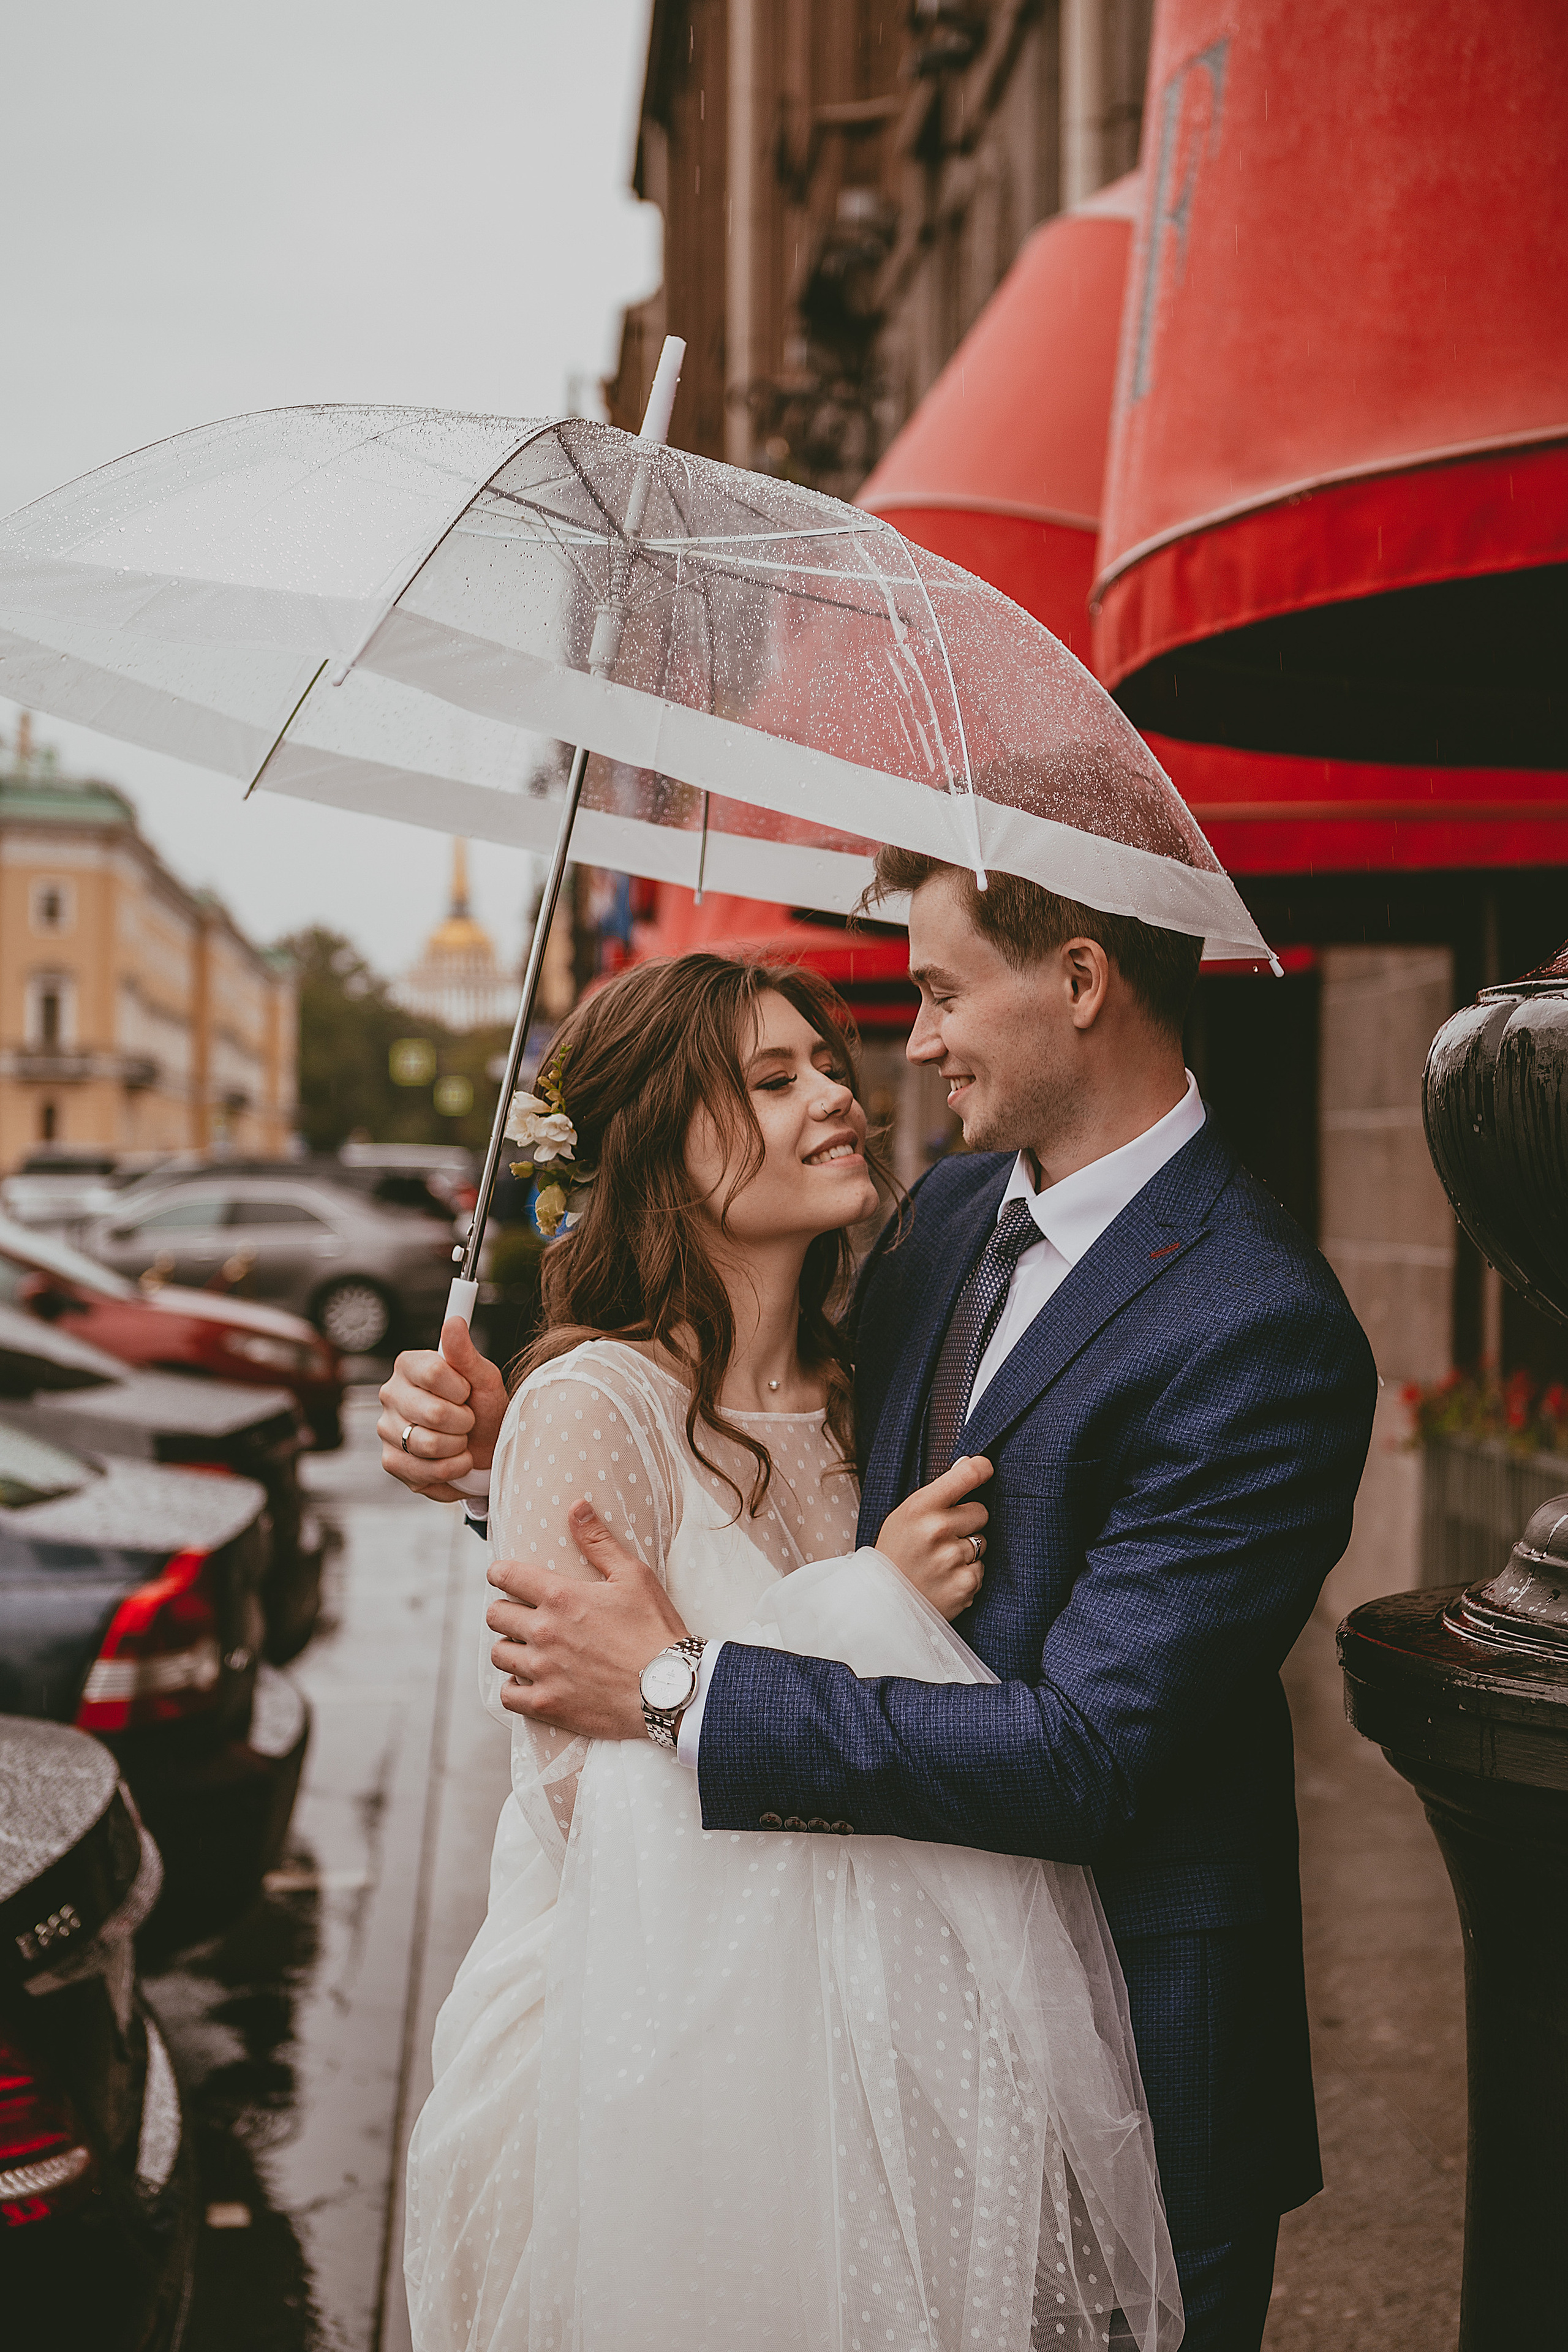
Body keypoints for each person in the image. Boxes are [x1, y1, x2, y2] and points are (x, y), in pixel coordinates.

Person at [382, 855, 1378, 2352]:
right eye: (777, 1074)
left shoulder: (1259, 1330)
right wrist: (504, 1466)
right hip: (790, 2058)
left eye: (935, 991)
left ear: (1083, 984)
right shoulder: (949, 1220)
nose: (900, 1052)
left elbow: (1086, 1756)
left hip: (1128, 2051)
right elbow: (712, 1457)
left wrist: (680, 1684)